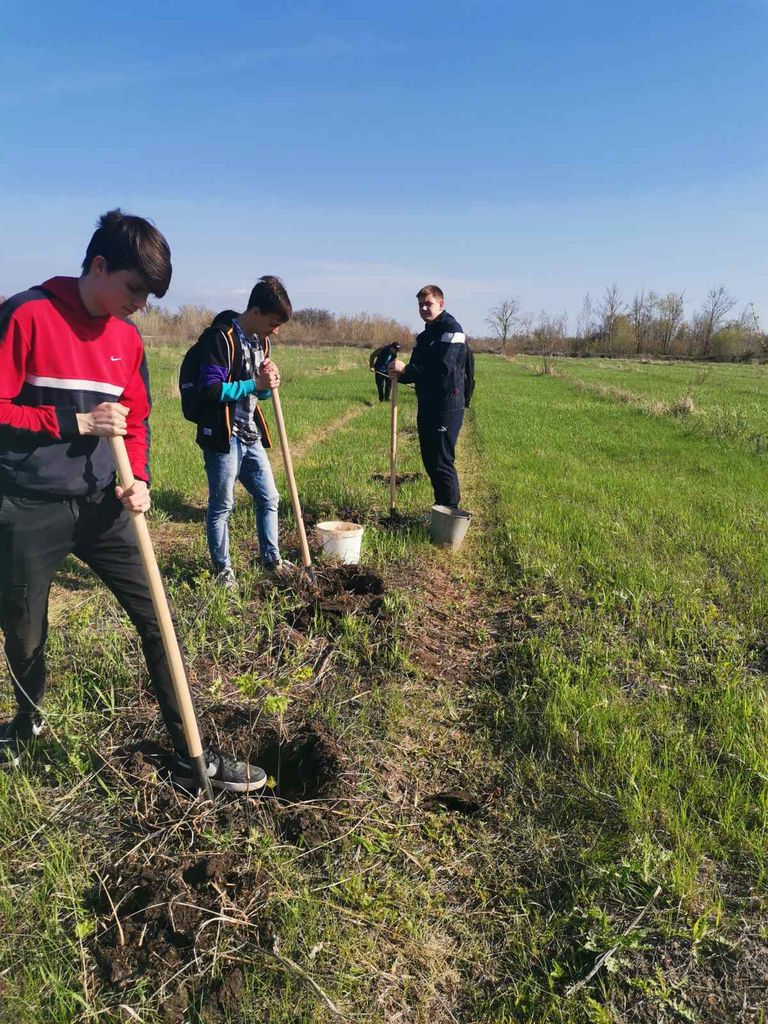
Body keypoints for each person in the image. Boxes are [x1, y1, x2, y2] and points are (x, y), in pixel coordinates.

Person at [0, 210, 266, 793]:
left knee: (158, 619)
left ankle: (190, 754)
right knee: (23, 629)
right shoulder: (26, 316)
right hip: (28, 504)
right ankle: (25, 725)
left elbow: (136, 419)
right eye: (135, 289)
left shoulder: (126, 337)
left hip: (103, 505)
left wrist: (139, 477)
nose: (141, 304)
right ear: (99, 266)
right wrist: (73, 421)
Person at [192, 276, 292, 590]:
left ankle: (271, 559)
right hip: (223, 436)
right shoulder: (221, 339)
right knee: (222, 505)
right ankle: (224, 571)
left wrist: (267, 384)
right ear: (257, 312)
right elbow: (209, 390)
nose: (275, 330)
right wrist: (254, 384)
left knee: (269, 497)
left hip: (250, 434)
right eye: (273, 323)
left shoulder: (261, 342)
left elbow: (258, 396)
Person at [389, 285, 468, 508]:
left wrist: (408, 370)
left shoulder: (452, 331)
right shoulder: (424, 337)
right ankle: (440, 506)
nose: (424, 308)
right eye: (421, 305)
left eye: (429, 304)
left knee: (442, 461)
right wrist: (398, 372)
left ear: (441, 304)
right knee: (430, 460)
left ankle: (449, 513)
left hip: (447, 405)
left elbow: (442, 368)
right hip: (427, 404)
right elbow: (416, 370)